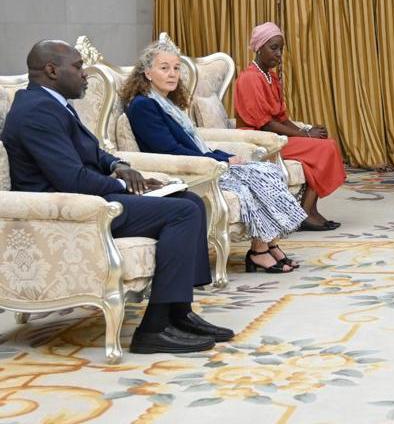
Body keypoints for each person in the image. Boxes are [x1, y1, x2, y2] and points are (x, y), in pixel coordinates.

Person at [1, 40, 233, 354]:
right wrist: (126, 187)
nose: (85, 74)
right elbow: (72, 179)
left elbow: (91, 152)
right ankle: (154, 329)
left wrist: (118, 166)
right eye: (78, 67)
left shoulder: (51, 103)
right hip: (70, 214)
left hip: (87, 202)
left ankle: (179, 314)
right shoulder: (36, 112)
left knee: (189, 200)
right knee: (184, 212)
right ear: (52, 70)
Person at [122, 39, 307, 273]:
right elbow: (169, 149)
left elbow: (195, 144)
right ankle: (259, 252)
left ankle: (269, 245)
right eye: (164, 68)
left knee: (268, 170)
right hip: (187, 172)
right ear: (147, 72)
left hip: (202, 162)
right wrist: (220, 160)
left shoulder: (167, 103)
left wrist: (224, 156)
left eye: (176, 68)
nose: (172, 74)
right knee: (258, 177)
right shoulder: (143, 106)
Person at [234, 22, 345, 231]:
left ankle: (309, 210)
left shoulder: (270, 76)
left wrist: (306, 132)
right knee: (324, 148)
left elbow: (282, 118)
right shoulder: (249, 78)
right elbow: (265, 124)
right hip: (258, 140)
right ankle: (306, 213)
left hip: (274, 137)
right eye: (273, 48)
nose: (278, 54)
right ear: (259, 48)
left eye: (281, 49)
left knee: (325, 144)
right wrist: (305, 135)